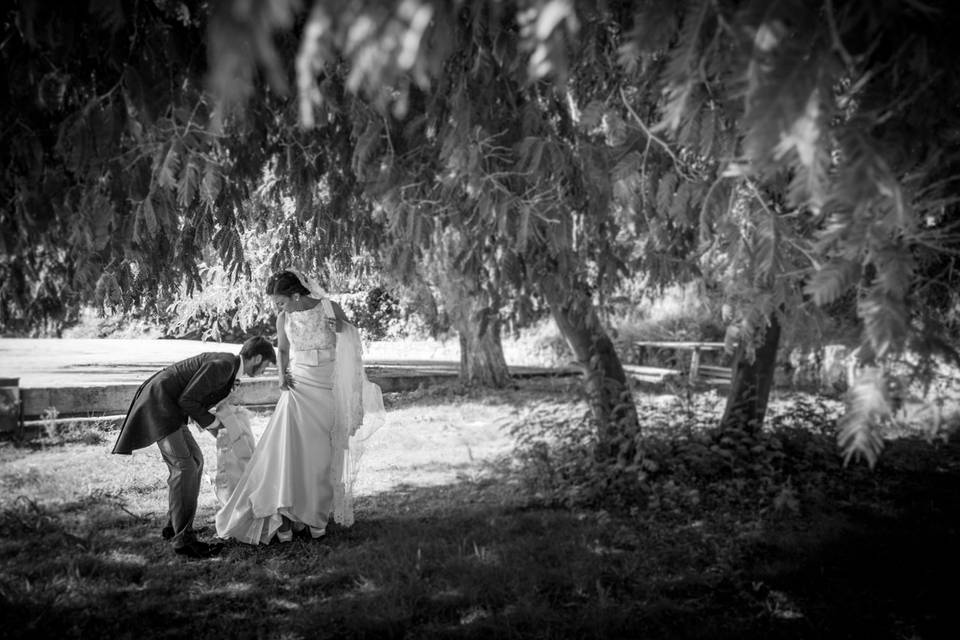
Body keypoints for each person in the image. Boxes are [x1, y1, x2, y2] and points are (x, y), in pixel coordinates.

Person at [215, 270, 384, 544]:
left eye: (280, 302)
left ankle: (315, 517)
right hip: (298, 386)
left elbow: (353, 338)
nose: (277, 308)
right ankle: (287, 513)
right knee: (290, 452)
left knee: (322, 455)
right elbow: (282, 351)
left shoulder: (329, 307)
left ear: (296, 295)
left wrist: (338, 329)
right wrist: (282, 375)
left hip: (327, 385)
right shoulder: (285, 317)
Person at [112, 336, 276, 559]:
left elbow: (197, 399)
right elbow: (188, 400)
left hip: (171, 409)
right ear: (257, 358)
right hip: (160, 406)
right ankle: (183, 540)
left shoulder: (229, 368)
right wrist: (216, 426)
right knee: (185, 467)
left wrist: (219, 430)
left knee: (196, 461)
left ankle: (174, 526)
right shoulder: (224, 366)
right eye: (266, 365)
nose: (265, 370)